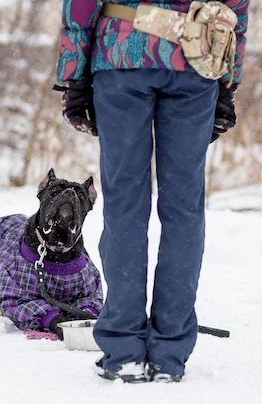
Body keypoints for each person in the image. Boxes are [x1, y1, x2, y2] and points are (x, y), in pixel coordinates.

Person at [55, 0, 249, 383]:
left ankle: (124, 348)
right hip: (197, 62)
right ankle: (169, 353)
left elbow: (80, 5)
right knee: (184, 211)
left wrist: (74, 76)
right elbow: (235, 9)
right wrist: (229, 81)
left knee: (125, 206)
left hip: (123, 56)